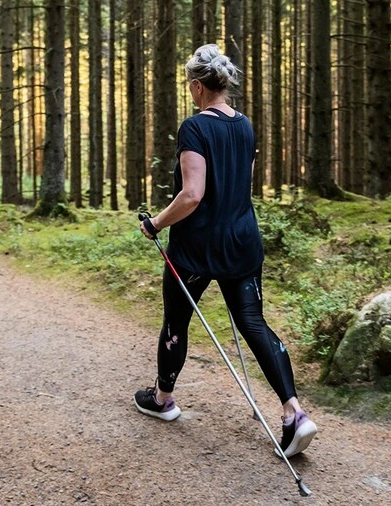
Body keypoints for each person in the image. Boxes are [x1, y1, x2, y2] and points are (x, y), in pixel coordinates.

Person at [133, 44, 317, 458]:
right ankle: (295, 414)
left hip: (197, 249)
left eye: (189, 86)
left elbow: (193, 194)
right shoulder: (245, 125)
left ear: (198, 87)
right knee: (254, 323)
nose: (189, 92)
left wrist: (155, 223)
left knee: (176, 322)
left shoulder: (194, 128)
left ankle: (162, 400)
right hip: (243, 242)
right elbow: (241, 185)